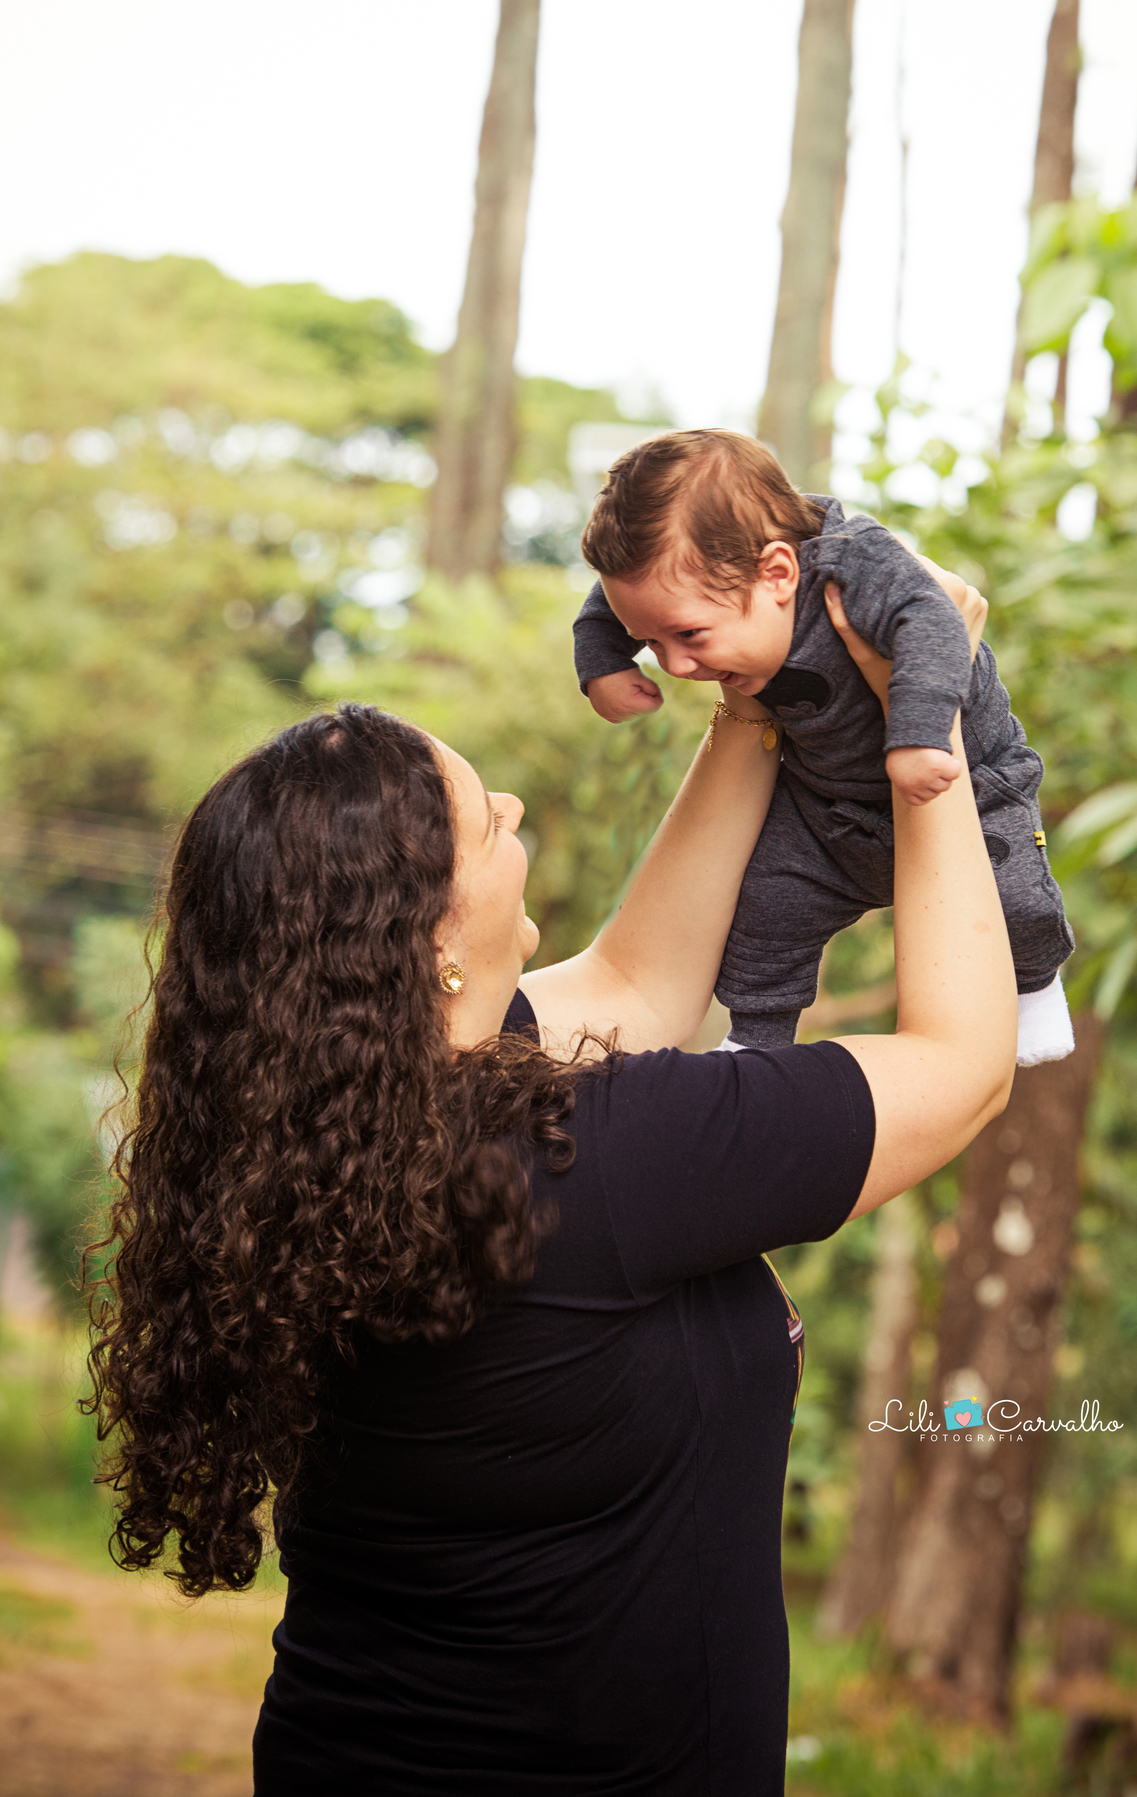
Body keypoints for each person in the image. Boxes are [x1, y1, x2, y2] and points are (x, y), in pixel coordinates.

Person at [86, 571, 1016, 1796]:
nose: (513, 805)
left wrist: (754, 702)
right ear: (426, 937)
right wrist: (924, 715)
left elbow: (636, 988)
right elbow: (962, 1066)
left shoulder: (319, 1139)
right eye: (488, 822)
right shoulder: (601, 1158)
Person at [572, 428, 1073, 1062]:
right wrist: (603, 663)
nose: (674, 664)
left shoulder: (856, 564)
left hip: (966, 786)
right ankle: (756, 1035)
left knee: (1017, 899)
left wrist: (918, 736)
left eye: (690, 635)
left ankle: (1035, 989)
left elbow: (936, 621)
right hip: (824, 808)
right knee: (764, 908)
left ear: (778, 572)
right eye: (652, 642)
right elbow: (608, 605)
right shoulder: (685, 574)